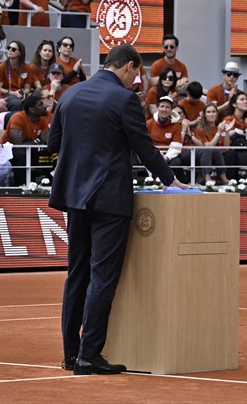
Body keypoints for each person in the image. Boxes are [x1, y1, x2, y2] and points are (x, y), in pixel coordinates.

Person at [49, 44, 187, 375]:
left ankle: (71, 354)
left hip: (74, 197)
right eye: (136, 74)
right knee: (102, 277)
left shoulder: (69, 95)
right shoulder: (124, 99)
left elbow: (53, 145)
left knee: (77, 274)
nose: (135, 81)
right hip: (109, 199)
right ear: (128, 66)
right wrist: (170, 180)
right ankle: (89, 355)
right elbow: (144, 147)